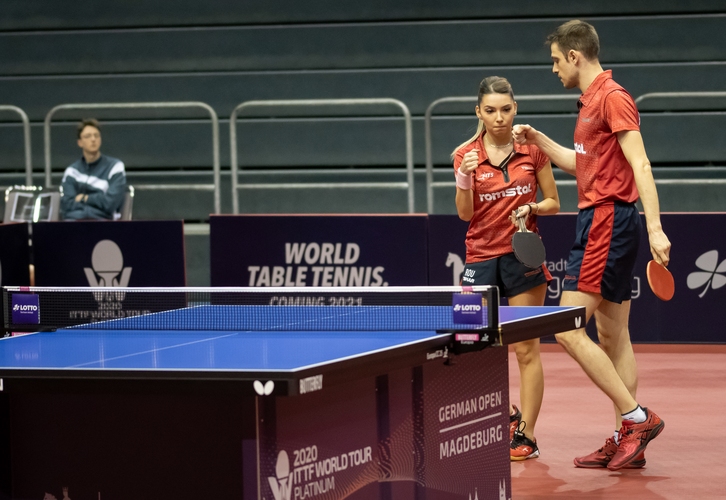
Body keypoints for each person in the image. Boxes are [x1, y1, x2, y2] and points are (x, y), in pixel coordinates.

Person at [512, 20, 671, 470]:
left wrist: (656, 227)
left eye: (556, 61)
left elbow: (640, 163)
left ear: (574, 56)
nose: (554, 69)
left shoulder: (612, 97)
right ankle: (629, 439)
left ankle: (635, 419)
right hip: (604, 216)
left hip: (607, 219)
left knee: (564, 327)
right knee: (613, 335)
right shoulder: (588, 105)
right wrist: (540, 140)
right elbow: (581, 165)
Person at [453, 76, 560, 461]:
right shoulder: (464, 154)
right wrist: (464, 177)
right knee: (469, 346)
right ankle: (501, 414)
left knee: (526, 349)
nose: (499, 117)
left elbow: (554, 202)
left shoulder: (532, 150)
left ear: (515, 108)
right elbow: (465, 214)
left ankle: (526, 435)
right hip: (479, 258)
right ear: (478, 112)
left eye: (506, 109)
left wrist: (532, 208)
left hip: (522, 258)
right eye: (490, 110)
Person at [61, 118, 127, 220]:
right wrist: (98, 201)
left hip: (102, 224)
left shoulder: (115, 167)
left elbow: (110, 204)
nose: (93, 139)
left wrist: (84, 198)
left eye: (96, 135)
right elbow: (67, 205)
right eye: (87, 136)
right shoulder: (72, 171)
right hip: (74, 223)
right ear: (80, 142)